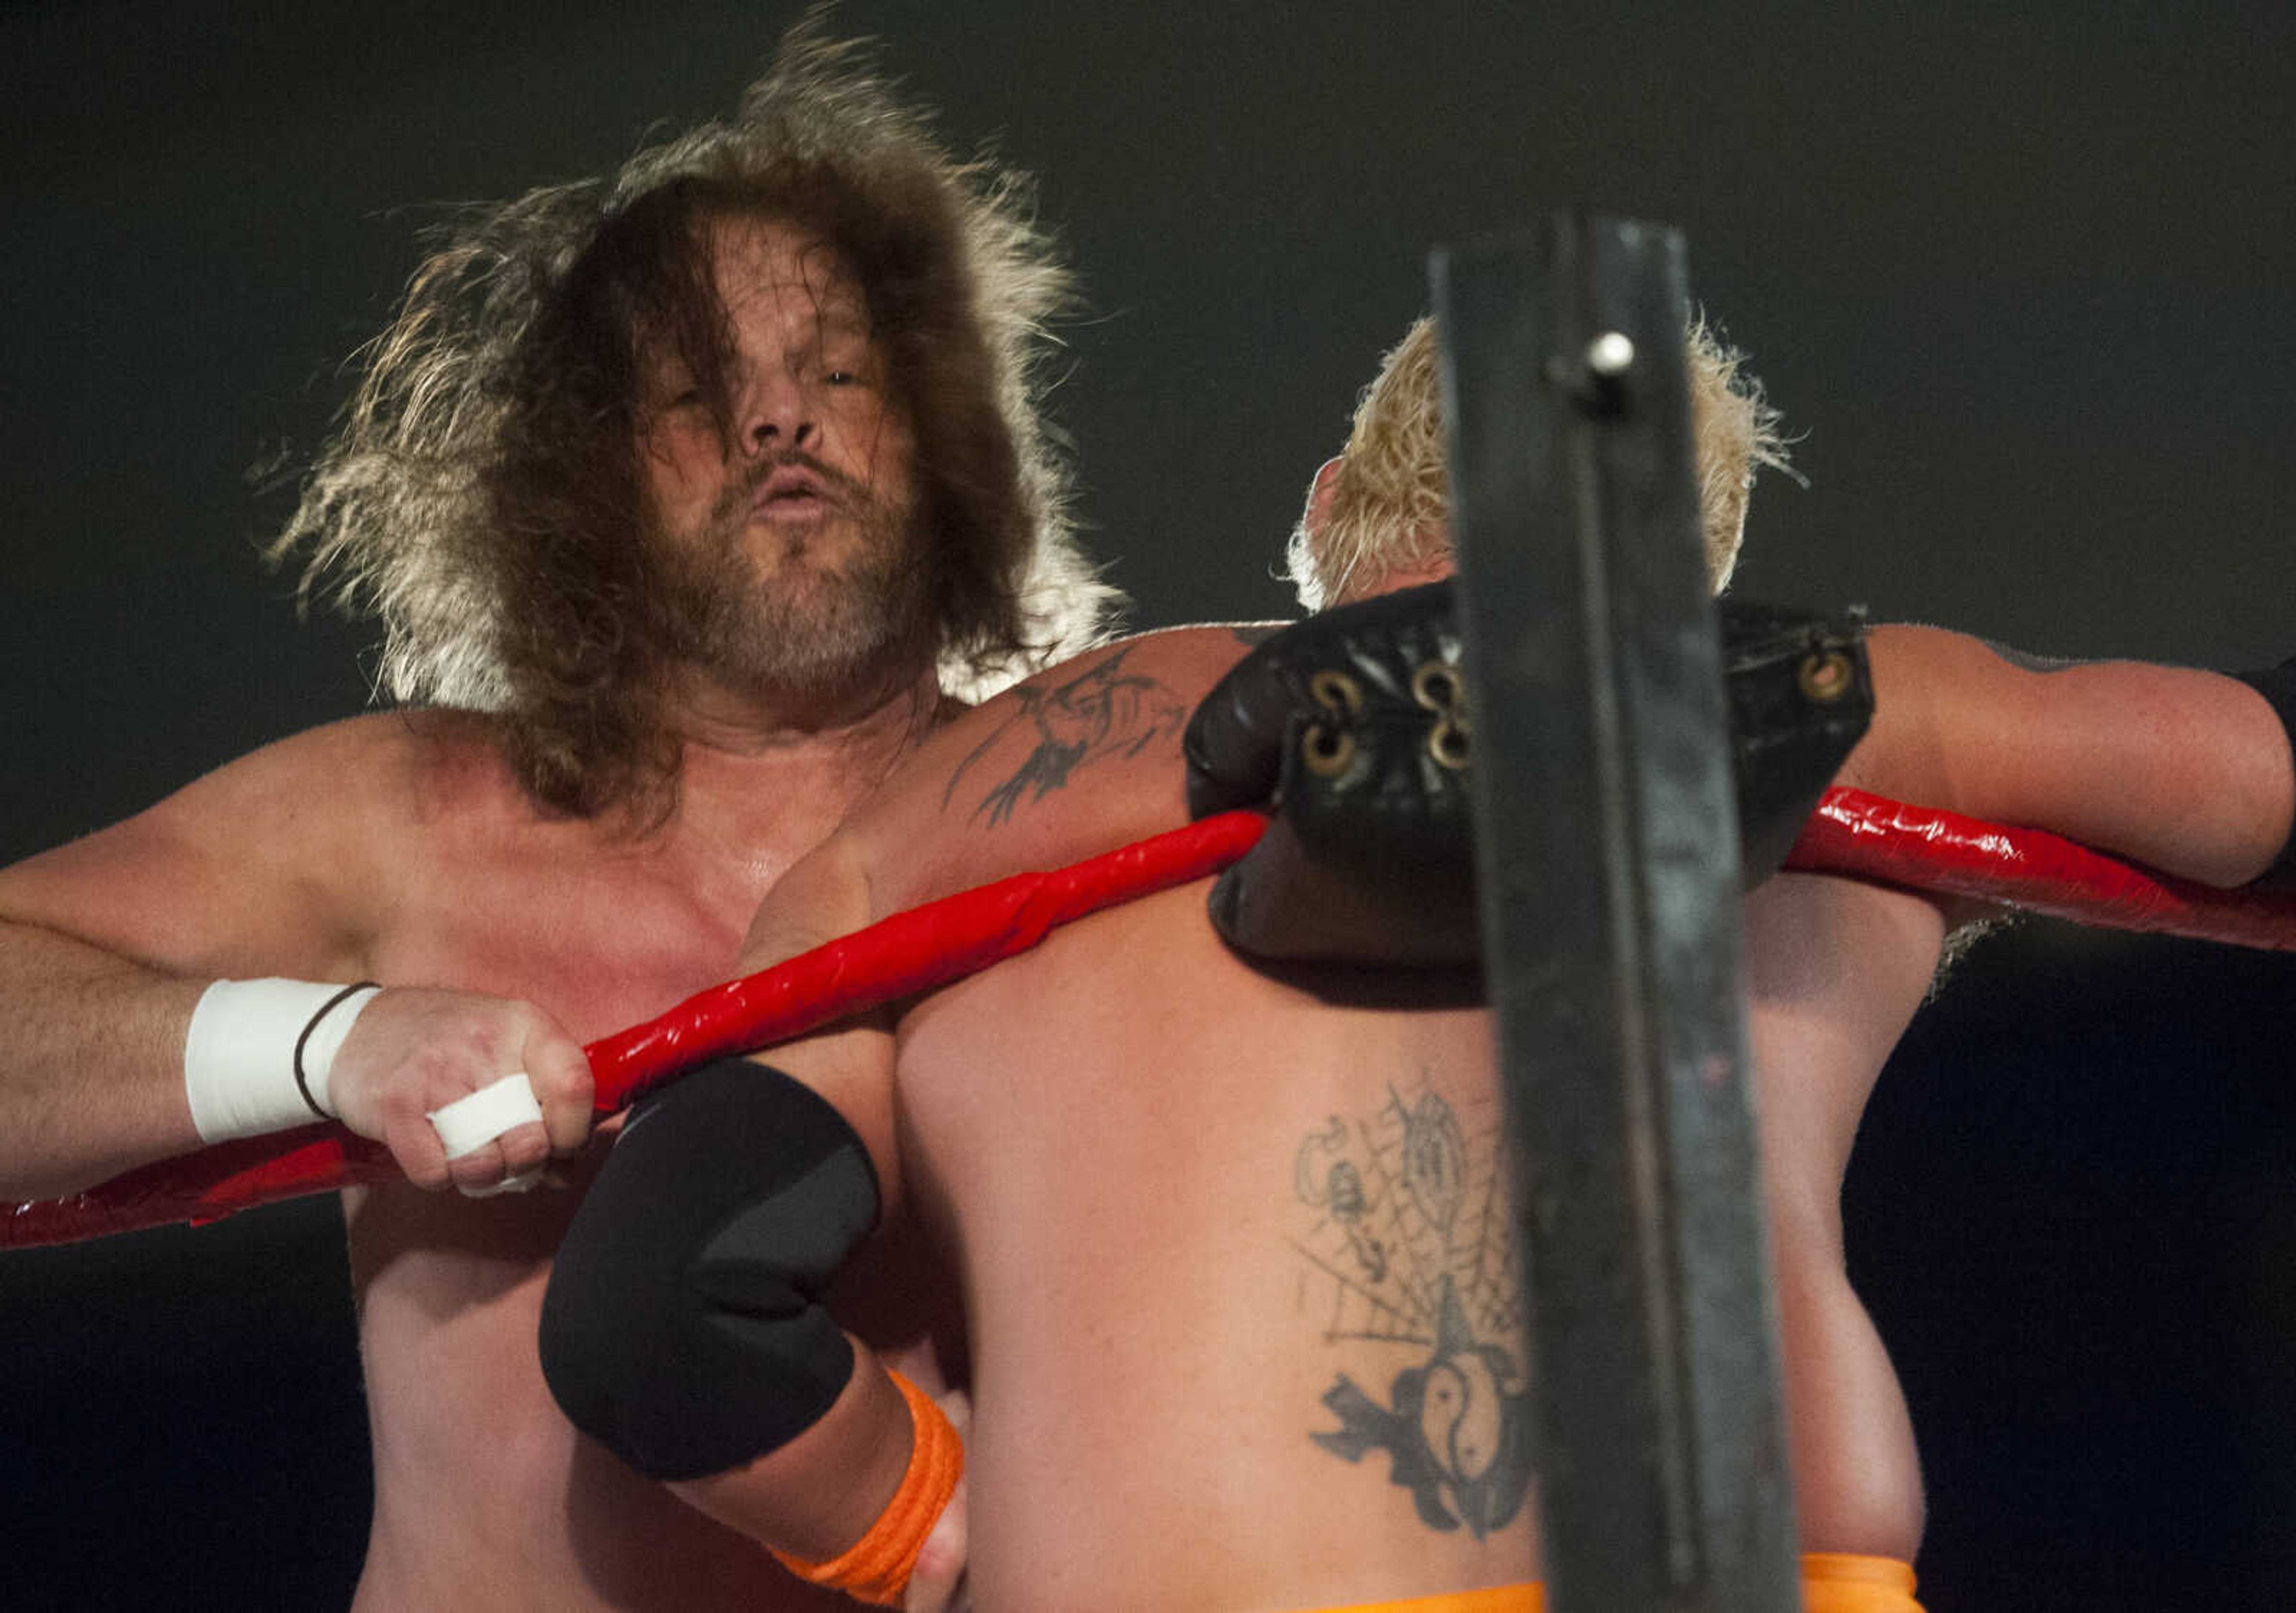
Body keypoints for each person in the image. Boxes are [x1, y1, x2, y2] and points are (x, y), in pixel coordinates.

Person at [539, 310, 2295, 1611]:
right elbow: (2246, 780)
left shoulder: (983, 796)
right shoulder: (1850, 719)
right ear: (1694, 575)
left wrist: (938, 1531)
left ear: (1325, 513)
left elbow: (653, 1311)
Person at [0, 24, 1115, 1611]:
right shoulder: (406, 819)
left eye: (841, 372)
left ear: (945, 444)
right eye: (697, 392)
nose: (779, 423)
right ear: (582, 484)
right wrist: (329, 1041)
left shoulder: (1068, 816)